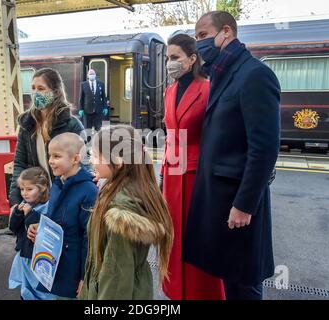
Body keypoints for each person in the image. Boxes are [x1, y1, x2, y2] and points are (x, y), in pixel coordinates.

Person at [183, 11, 281, 300]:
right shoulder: (223, 73)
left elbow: (264, 148)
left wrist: (245, 204)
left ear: (226, 31)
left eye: (203, 35)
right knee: (230, 276)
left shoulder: (255, 75)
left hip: (237, 204)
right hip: (220, 199)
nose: (199, 43)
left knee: (244, 281)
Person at [161, 33, 225, 300]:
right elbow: (170, 136)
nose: (170, 63)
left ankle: (203, 293)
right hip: (173, 173)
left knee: (199, 238)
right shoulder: (170, 91)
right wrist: (162, 175)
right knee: (173, 238)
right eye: (167, 58)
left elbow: (218, 135)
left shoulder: (208, 89)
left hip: (199, 175)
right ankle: (175, 292)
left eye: (175, 58)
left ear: (192, 58)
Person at [79, 125, 174, 300]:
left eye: (95, 155)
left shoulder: (119, 214)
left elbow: (115, 277)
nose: (91, 161)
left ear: (118, 161)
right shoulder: (131, 191)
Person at [27, 132, 98, 300]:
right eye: (50, 155)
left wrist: (84, 277)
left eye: (57, 156)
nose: (50, 161)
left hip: (73, 268)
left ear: (75, 159)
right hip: (55, 264)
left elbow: (90, 238)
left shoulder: (89, 192)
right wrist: (40, 228)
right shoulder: (58, 184)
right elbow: (54, 220)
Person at [9, 68, 86, 209]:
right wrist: (15, 199)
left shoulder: (72, 125)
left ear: (55, 92)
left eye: (41, 88)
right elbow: (20, 163)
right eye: (33, 88)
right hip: (37, 200)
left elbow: (84, 164)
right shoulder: (27, 124)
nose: (35, 93)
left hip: (65, 197)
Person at [8, 166, 58, 300]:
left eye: (29, 189)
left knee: (41, 289)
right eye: (22, 189)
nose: (24, 193)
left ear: (42, 188)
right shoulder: (24, 203)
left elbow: (39, 229)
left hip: (39, 258)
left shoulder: (49, 207)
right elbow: (14, 228)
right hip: (24, 255)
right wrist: (18, 213)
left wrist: (30, 213)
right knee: (26, 288)